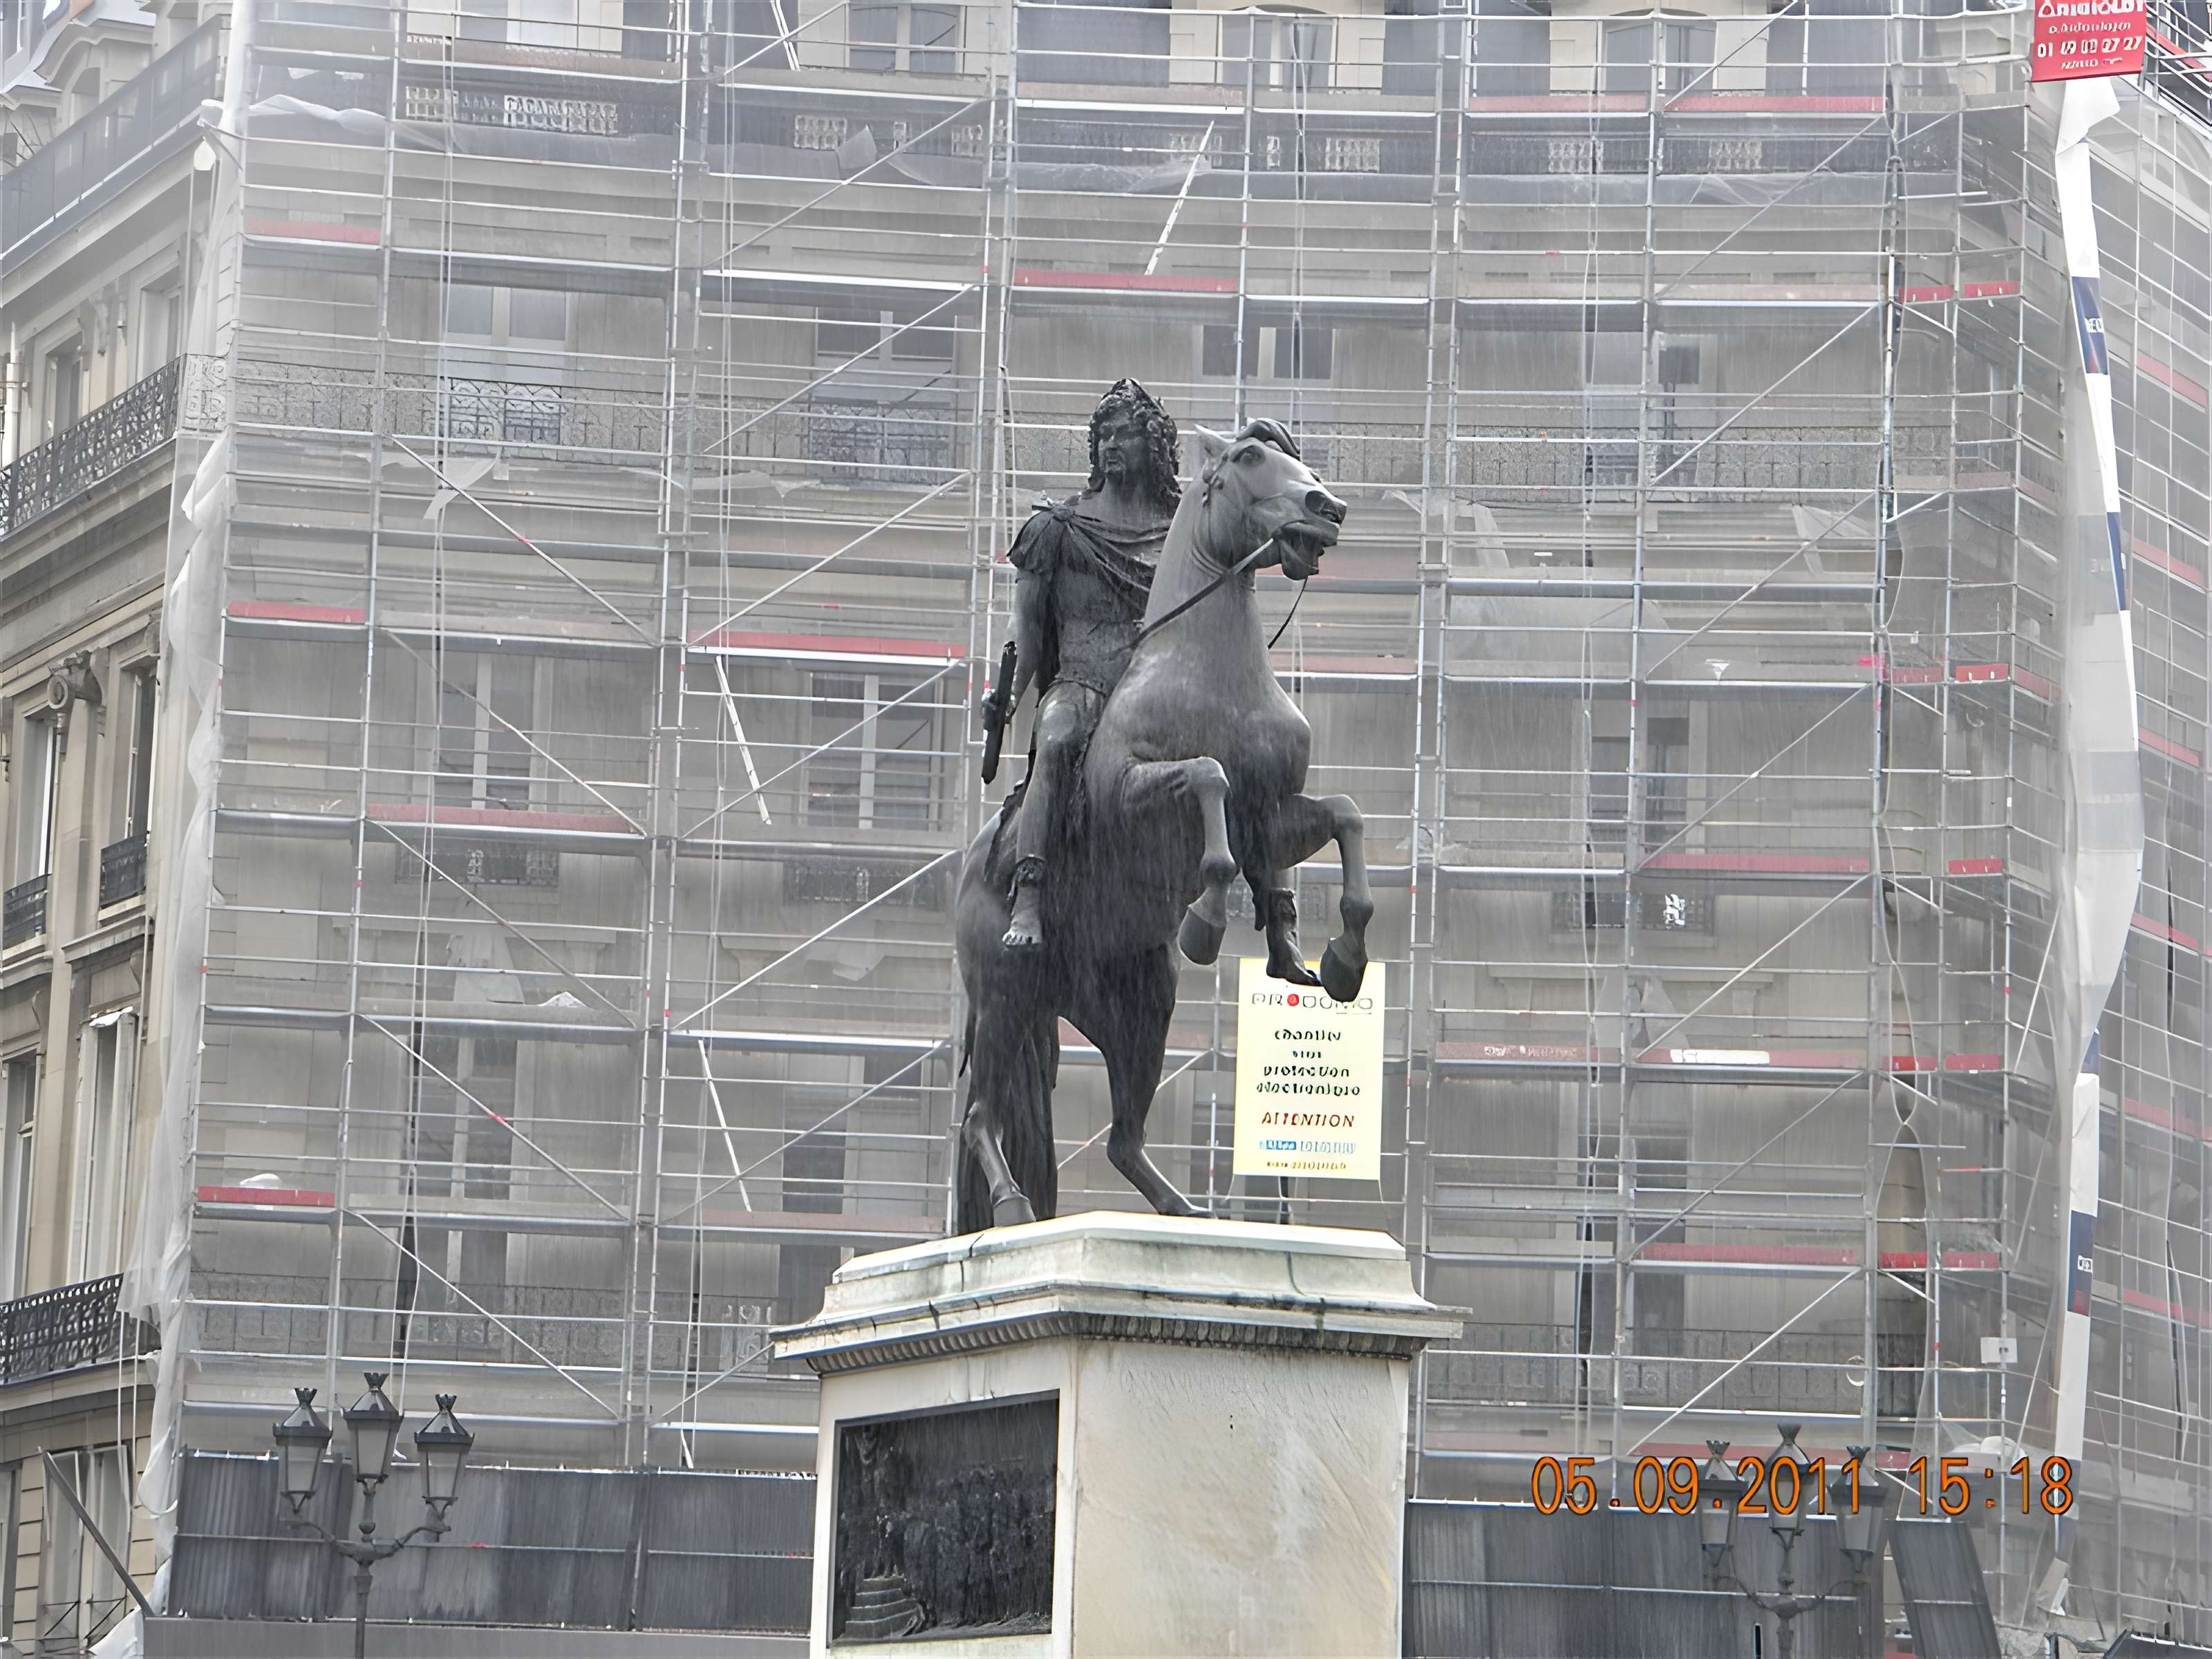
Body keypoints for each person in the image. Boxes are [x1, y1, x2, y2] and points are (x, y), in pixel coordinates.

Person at [984, 379, 1181, 951]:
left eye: (1126, 434)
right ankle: (1030, 895)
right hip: (1082, 683)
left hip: (1150, 692)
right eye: (1104, 434)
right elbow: (1025, 630)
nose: (1113, 443)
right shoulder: (1058, 529)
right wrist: (1009, 697)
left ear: (1154, 448)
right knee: (1060, 736)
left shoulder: (1175, 541)